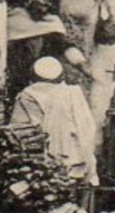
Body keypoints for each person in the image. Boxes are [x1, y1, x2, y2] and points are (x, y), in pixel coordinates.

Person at [9, 56, 99, 186]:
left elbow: (20, 129)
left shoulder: (29, 95)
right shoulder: (73, 92)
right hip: (79, 158)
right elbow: (88, 127)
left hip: (46, 160)